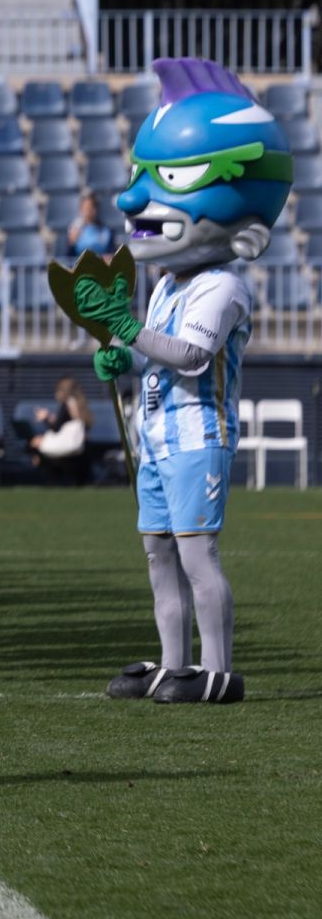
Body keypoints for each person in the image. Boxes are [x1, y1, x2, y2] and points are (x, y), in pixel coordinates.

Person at [85, 56, 287, 705]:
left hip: (199, 436)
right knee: (158, 553)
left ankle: (218, 669)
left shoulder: (223, 285)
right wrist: (122, 356)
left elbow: (192, 355)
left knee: (198, 555)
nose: (133, 200)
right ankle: (174, 664)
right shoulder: (167, 283)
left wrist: (127, 329)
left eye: (168, 177)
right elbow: (157, 353)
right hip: (156, 437)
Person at [29, 377, 94, 484]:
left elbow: (56, 428)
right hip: (79, 446)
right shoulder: (79, 404)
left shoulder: (66, 404)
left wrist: (45, 418)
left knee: (34, 443)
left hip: (66, 446)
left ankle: (40, 472)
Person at [67, 192, 114, 258]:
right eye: (86, 208)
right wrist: (72, 244)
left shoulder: (107, 231)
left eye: (92, 207)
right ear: (81, 210)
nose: (89, 211)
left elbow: (111, 255)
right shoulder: (74, 231)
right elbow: (68, 257)